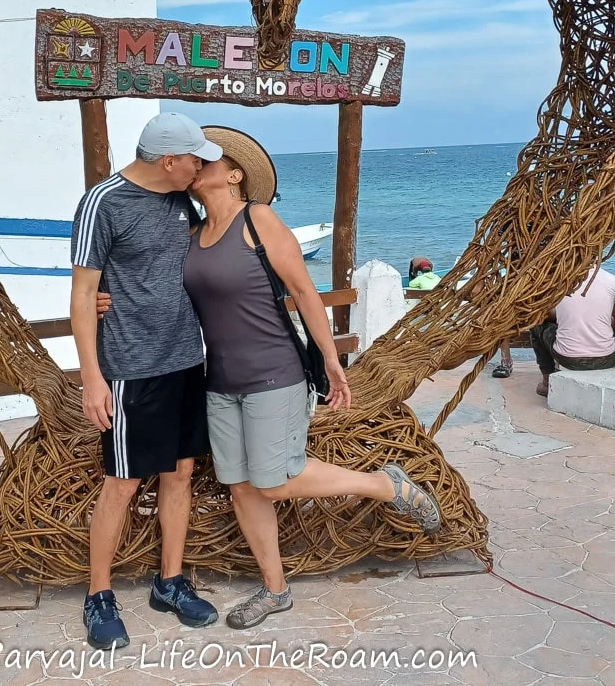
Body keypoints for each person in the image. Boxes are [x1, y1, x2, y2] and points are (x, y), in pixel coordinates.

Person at [183, 126, 442, 629]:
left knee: (276, 480)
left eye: (211, 159)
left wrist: (330, 360)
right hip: (220, 381)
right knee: (241, 488)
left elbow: (304, 292)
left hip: (274, 372)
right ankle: (275, 590)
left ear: (234, 175)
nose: (200, 165)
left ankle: (383, 484)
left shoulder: (258, 221)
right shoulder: (191, 237)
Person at [70, 113, 223, 651]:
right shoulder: (102, 203)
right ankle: (99, 595)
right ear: (168, 162)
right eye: (194, 159)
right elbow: (84, 296)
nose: (201, 166)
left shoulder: (184, 199)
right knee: (123, 482)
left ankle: (170, 582)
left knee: (179, 475)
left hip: (186, 361)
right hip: (132, 369)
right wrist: (93, 378)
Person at [531, 263, 615, 397]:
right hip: (608, 358)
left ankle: (547, 383)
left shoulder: (559, 281)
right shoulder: (611, 280)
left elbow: (545, 314)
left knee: (536, 325)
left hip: (569, 359)